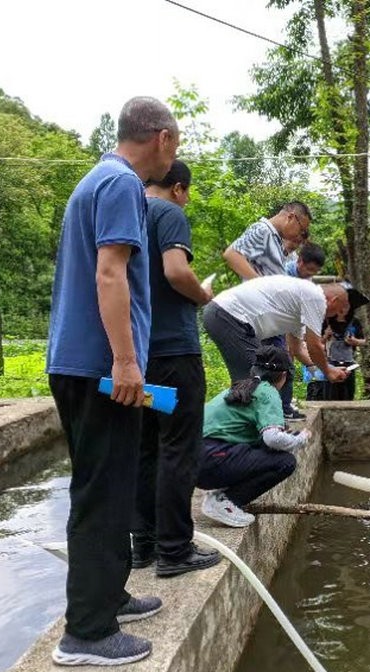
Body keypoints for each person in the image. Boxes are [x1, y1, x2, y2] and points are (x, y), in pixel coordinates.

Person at [45, 96, 179, 666]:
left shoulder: (96, 180)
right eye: (176, 143)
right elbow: (109, 272)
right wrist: (125, 361)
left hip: (75, 361)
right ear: (162, 138)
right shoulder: (122, 184)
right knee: (102, 492)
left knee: (108, 483)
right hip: (100, 366)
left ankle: (110, 596)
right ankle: (88, 632)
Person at [133, 159, 221, 578]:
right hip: (174, 355)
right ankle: (174, 550)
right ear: (179, 188)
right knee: (178, 448)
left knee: (146, 447)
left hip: (139, 356)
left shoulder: (129, 212)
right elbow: (175, 271)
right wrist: (202, 295)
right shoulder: (169, 213)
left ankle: (144, 544)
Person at [197, 346, 309, 527]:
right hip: (211, 460)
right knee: (285, 462)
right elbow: (272, 439)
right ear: (283, 375)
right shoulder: (268, 392)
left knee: (262, 447)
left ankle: (221, 494)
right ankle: (226, 502)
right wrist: (300, 440)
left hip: (193, 464)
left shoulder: (240, 387)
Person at [223, 200, 313, 420]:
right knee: (269, 369)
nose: (298, 235)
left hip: (271, 320)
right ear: (291, 217)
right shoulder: (262, 230)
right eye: (301, 228)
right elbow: (232, 254)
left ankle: (274, 415)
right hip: (258, 316)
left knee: (276, 370)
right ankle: (270, 416)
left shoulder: (275, 240)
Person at [202, 274, 350, 387]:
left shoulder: (301, 306)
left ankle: (250, 416)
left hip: (224, 316)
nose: (338, 316)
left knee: (254, 380)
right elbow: (314, 346)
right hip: (228, 316)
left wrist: (326, 369)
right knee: (256, 379)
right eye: (340, 310)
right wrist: (328, 371)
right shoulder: (316, 297)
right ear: (333, 300)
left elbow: (298, 350)